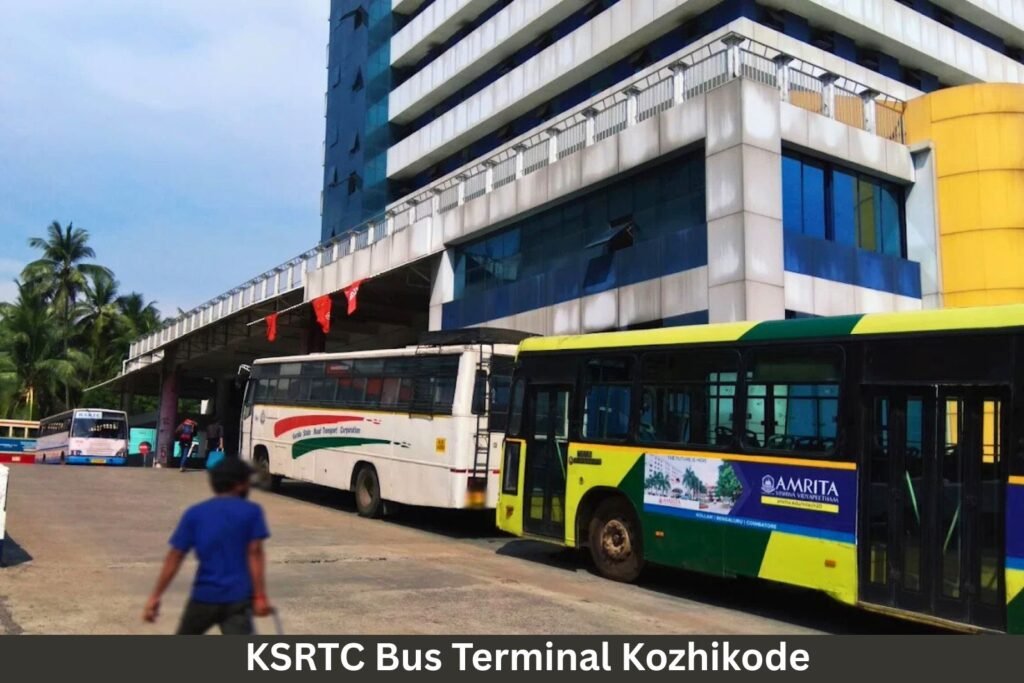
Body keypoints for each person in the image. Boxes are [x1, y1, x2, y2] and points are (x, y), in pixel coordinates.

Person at [143, 458, 273, 634]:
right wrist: (260, 597)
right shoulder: (252, 511)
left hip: (204, 597)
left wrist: (155, 596)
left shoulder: (195, 513)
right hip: (238, 599)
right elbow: (254, 553)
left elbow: (175, 556)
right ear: (239, 484)